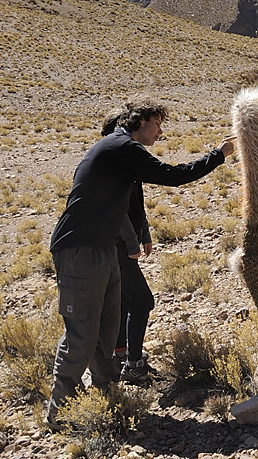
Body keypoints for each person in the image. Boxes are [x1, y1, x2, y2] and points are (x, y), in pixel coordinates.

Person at [47, 97, 235, 428]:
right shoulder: (121, 147)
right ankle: (59, 413)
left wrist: (139, 233)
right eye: (157, 123)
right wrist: (218, 156)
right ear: (140, 121)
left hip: (103, 249)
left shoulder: (119, 150)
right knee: (81, 332)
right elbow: (173, 176)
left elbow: (133, 200)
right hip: (80, 250)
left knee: (106, 329)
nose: (160, 130)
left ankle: (108, 398)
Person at [99, 109, 157, 383]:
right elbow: (117, 210)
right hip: (116, 243)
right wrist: (132, 241)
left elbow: (136, 202)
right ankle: (133, 363)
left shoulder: (123, 161)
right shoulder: (115, 162)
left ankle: (120, 353)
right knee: (143, 300)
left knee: (122, 299)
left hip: (120, 242)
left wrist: (144, 232)